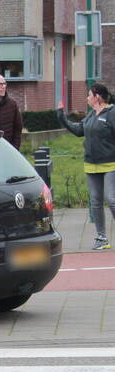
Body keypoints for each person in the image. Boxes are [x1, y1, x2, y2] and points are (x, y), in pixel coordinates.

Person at [57, 83, 115, 250]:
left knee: (111, 199)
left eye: (89, 95)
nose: (87, 98)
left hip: (111, 163)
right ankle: (102, 237)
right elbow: (78, 130)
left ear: (97, 97)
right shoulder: (91, 115)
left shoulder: (111, 113)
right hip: (91, 165)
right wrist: (61, 116)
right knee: (95, 202)